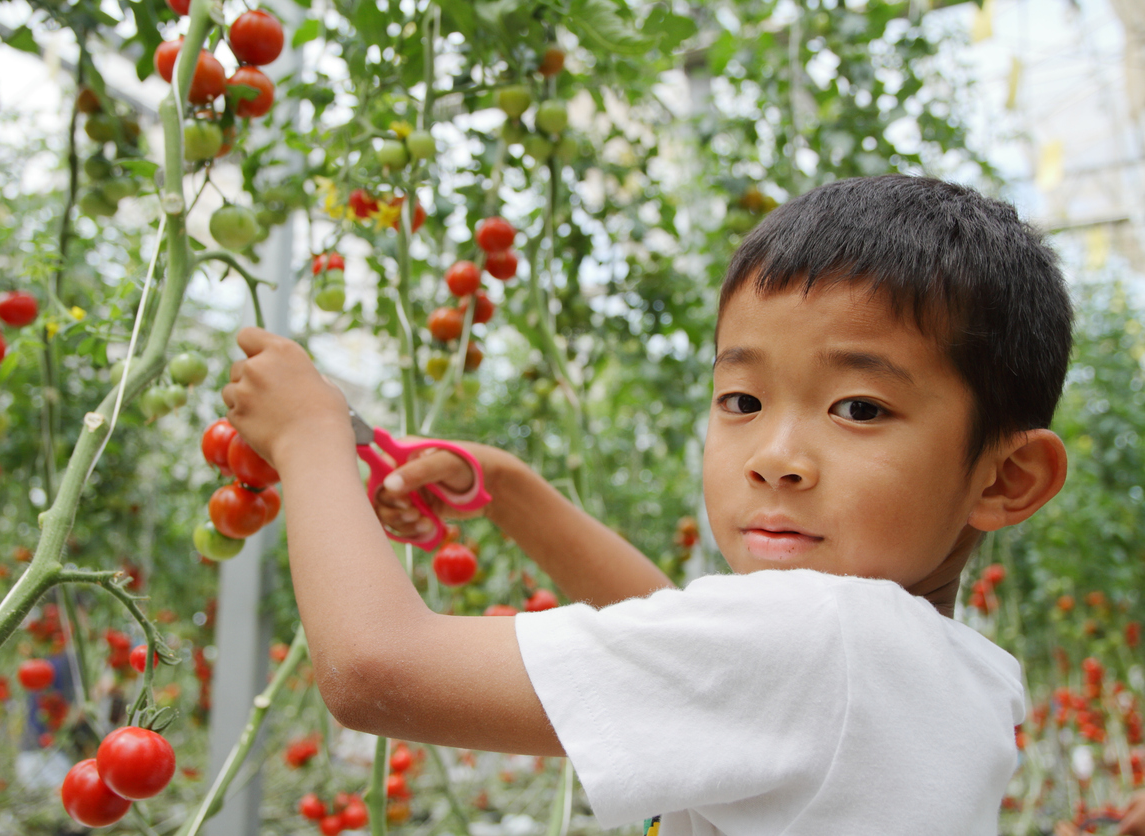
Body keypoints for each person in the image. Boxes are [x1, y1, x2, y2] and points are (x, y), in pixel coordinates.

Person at [222, 175, 1075, 835]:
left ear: (1007, 479)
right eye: (742, 401)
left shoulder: (819, 638)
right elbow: (676, 624)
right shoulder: (970, 676)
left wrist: (308, 440)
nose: (777, 459)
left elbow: (377, 671)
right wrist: (513, 489)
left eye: (859, 409)